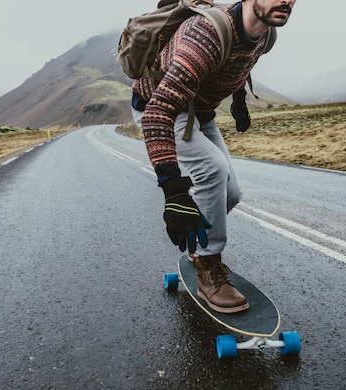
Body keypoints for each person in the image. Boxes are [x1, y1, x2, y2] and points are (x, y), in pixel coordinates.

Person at [131, 0, 296, 313]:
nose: (286, 0)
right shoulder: (206, 34)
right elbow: (157, 114)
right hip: (160, 105)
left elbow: (241, 62)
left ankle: (200, 246)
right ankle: (208, 270)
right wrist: (174, 192)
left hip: (200, 110)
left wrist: (239, 102)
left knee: (231, 194)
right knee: (212, 169)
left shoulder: (267, 33)